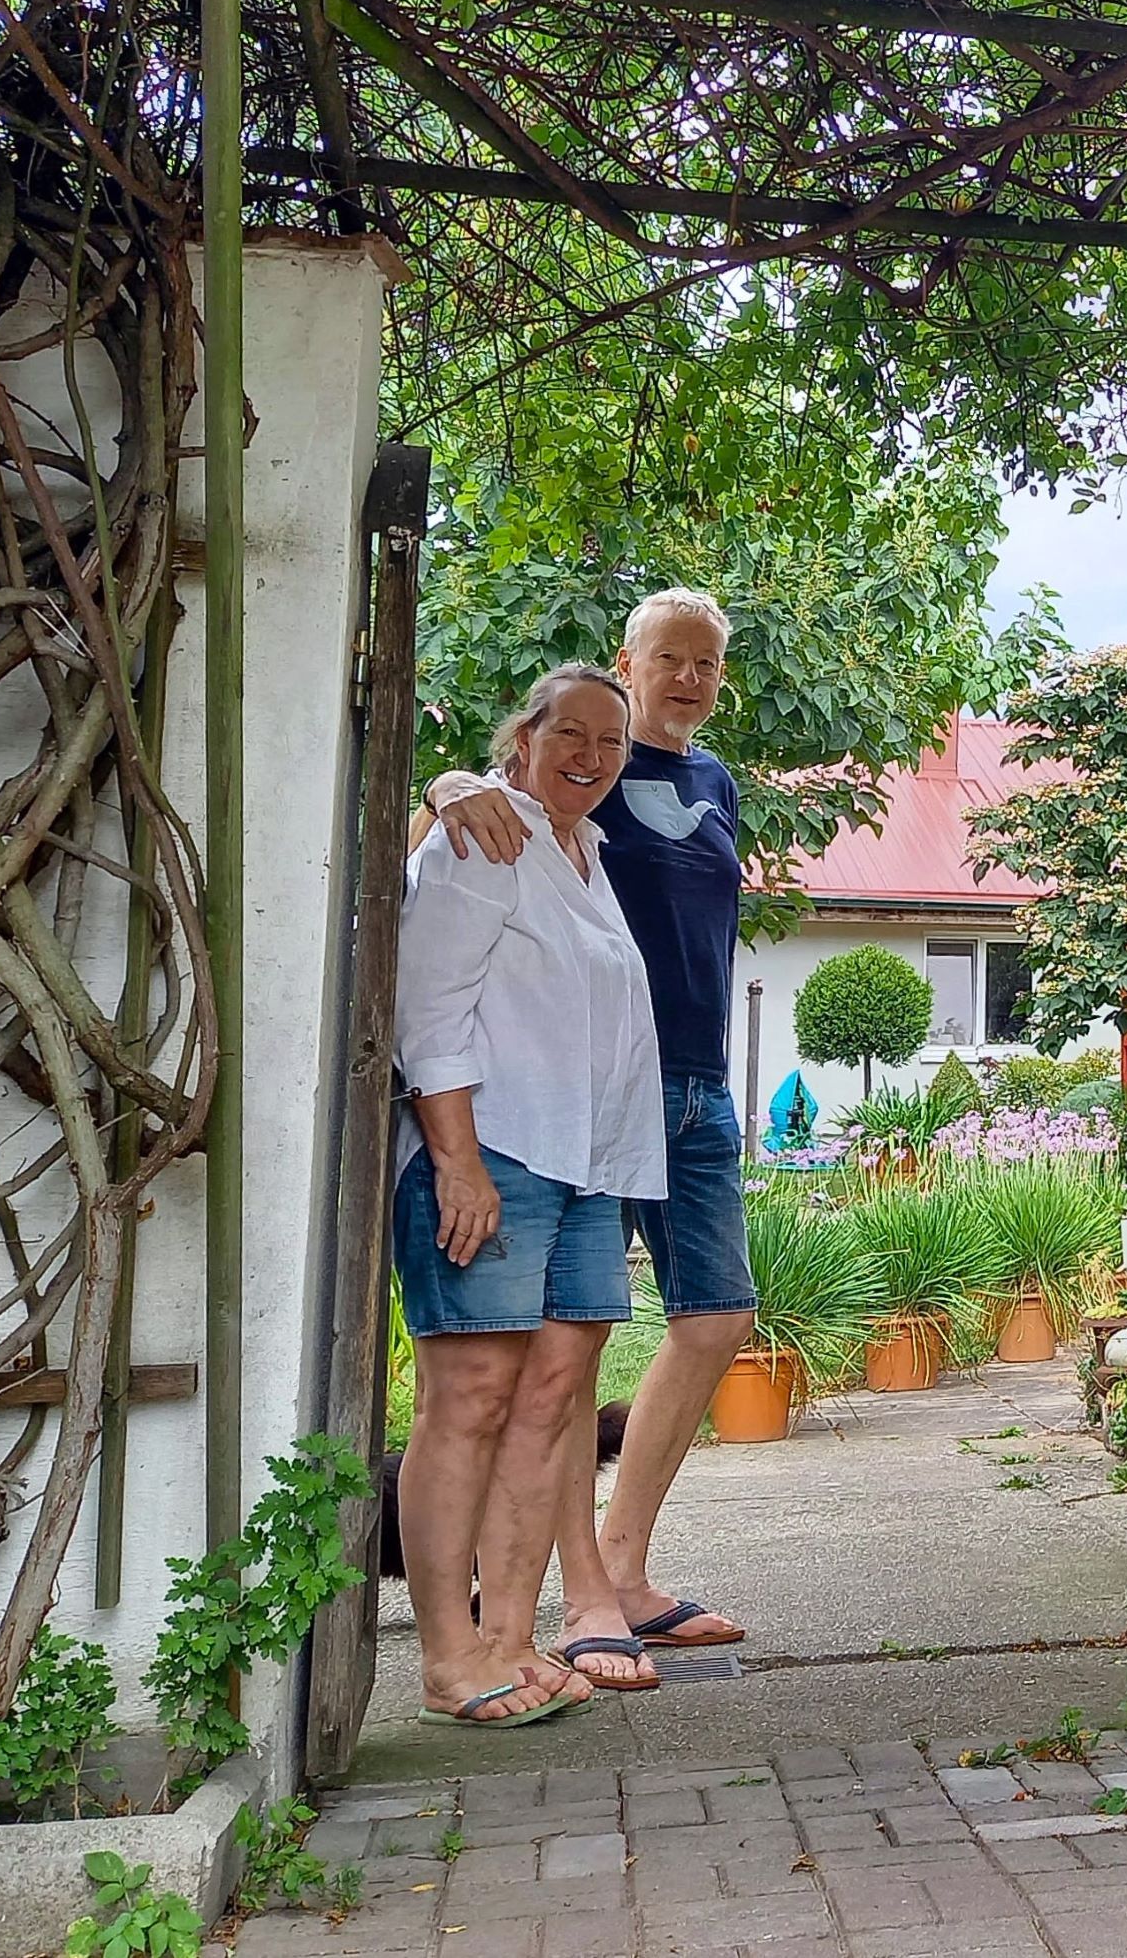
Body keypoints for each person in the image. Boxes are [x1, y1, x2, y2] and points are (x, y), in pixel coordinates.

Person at [426, 589, 753, 1652]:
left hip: (699, 1079)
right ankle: (585, 1598)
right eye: (672, 657)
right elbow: (484, 808)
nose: (691, 677)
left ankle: (625, 1561)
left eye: (707, 661)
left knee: (716, 1316)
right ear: (630, 658)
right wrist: (447, 780)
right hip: (599, 1089)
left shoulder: (714, 783)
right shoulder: (586, 764)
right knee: (570, 1342)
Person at [393, 663, 668, 1722]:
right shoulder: (487, 830)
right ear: (525, 737)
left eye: (611, 739)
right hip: (494, 1149)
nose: (592, 755)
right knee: (467, 1397)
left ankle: (511, 1638)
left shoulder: (587, 853)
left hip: (588, 1163)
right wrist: (455, 1157)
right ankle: (449, 1657)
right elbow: (431, 1006)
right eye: (572, 732)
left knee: (553, 1398)